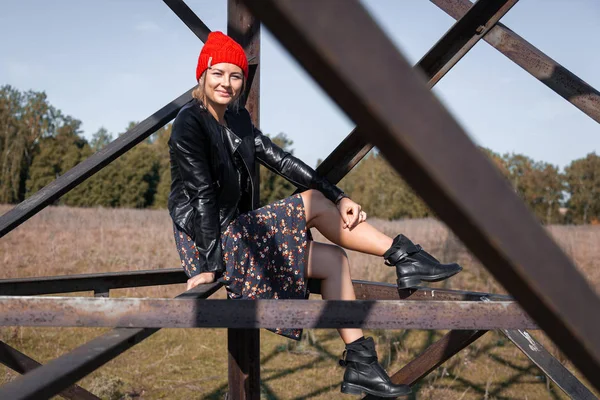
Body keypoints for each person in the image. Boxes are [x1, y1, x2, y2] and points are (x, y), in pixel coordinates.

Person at [168, 31, 462, 398]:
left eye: (236, 76)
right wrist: (206, 266)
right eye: (218, 73)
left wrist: (339, 195)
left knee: (334, 261)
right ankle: (404, 255)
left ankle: (361, 364)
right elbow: (201, 196)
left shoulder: (237, 120)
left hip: (236, 235)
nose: (227, 83)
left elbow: (282, 161)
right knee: (312, 201)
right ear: (203, 74)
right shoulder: (189, 123)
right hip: (211, 240)